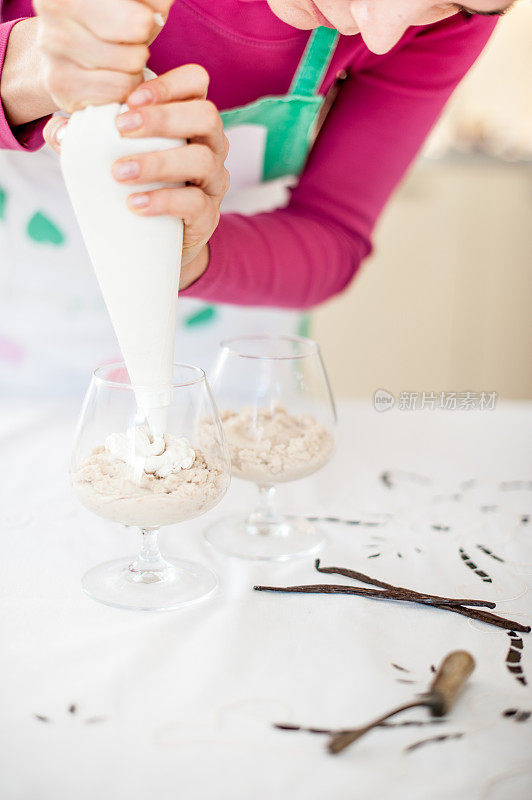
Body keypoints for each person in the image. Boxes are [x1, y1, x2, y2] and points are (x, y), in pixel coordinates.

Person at [0, 1, 505, 394]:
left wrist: (189, 256)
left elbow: (333, 238)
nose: (380, 35)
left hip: (223, 371)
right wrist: (28, 68)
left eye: (457, 5)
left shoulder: (431, 29)